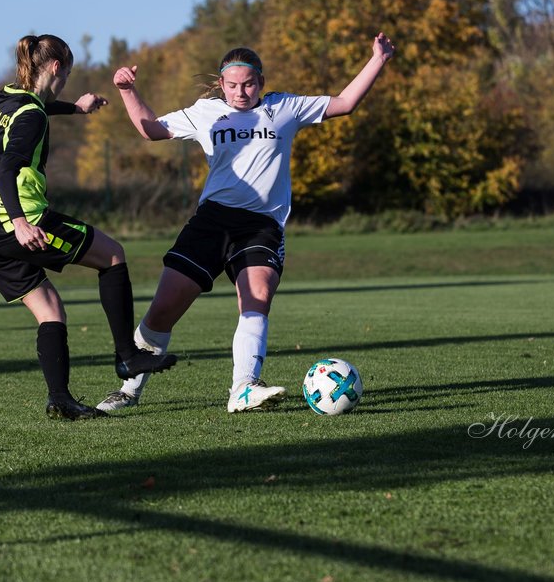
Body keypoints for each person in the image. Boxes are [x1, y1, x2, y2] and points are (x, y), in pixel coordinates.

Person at [96, 33, 395, 413]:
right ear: (221, 85)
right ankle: (127, 390)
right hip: (212, 221)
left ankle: (243, 388)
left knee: (256, 298)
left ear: (261, 83)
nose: (241, 92)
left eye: (249, 84)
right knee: (164, 309)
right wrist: (127, 90)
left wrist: (378, 60)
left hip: (261, 225)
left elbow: (346, 103)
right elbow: (151, 128)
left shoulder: (284, 108)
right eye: (233, 85)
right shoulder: (206, 112)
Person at [0, 34, 177, 421]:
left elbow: (37, 108)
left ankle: (60, 400)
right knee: (113, 254)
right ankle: (127, 356)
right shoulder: (31, 115)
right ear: (55, 68)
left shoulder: (10, 95)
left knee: (50, 309)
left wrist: (76, 108)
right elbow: (6, 173)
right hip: (20, 220)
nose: (65, 82)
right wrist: (18, 223)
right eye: (66, 75)